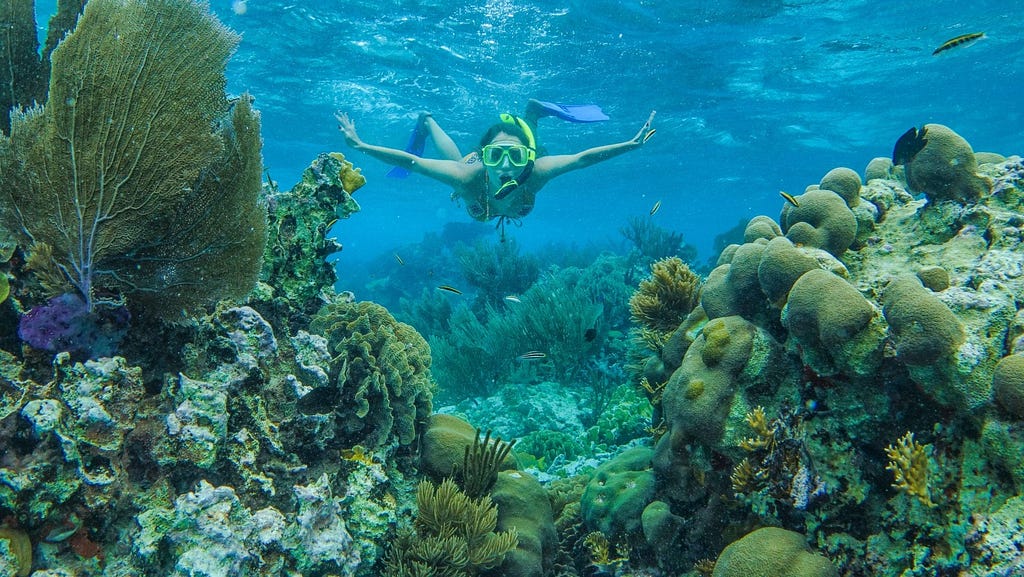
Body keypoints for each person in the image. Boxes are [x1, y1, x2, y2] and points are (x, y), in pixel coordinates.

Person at [334, 99, 655, 234]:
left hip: (524, 152)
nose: (505, 166)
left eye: (515, 158)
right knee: (458, 164)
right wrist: (361, 146)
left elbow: (581, 159)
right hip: (469, 169)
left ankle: (533, 111)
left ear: (527, 160)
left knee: (529, 133)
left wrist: (631, 144)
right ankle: (427, 120)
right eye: (496, 156)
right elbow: (413, 162)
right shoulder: (468, 177)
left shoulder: (537, 172)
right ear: (486, 154)